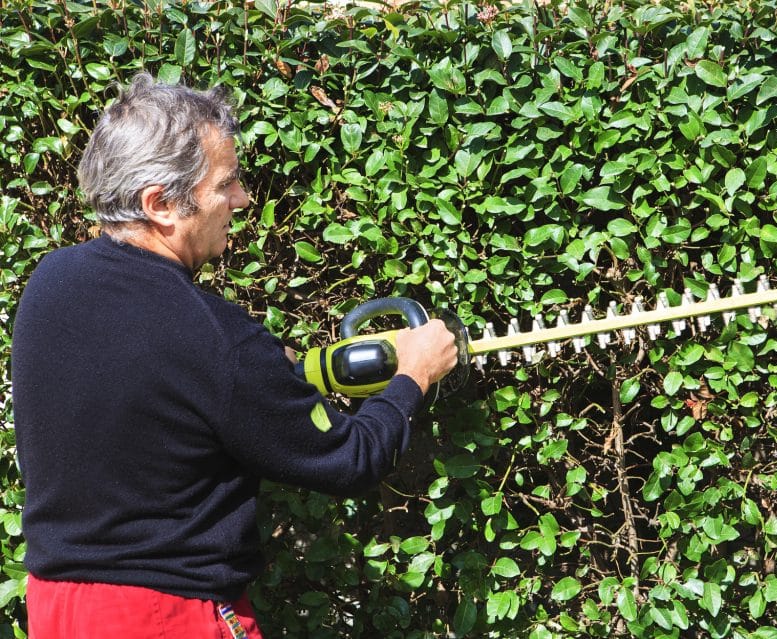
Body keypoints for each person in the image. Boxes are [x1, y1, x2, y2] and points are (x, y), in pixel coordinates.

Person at [11, 73, 458, 638]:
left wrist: (284, 373)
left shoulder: (51, 281)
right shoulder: (211, 335)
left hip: (57, 608)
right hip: (164, 618)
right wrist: (414, 374)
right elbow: (352, 459)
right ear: (162, 204)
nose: (243, 199)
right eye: (227, 184)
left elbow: (157, 396)